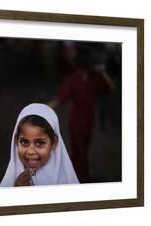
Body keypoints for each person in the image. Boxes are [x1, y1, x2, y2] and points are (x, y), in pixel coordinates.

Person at [47, 51, 115, 183]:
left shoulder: (92, 78)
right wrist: (42, 108)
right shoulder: (73, 80)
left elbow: (110, 87)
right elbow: (59, 100)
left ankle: (77, 174)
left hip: (89, 120)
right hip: (77, 121)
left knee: (83, 150)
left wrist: (101, 72)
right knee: (80, 152)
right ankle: (81, 179)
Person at [0, 103, 79, 187]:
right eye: (24, 142)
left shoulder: (68, 184)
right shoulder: (10, 183)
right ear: (16, 140)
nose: (30, 151)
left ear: (54, 142)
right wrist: (15, 192)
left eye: (40, 143)